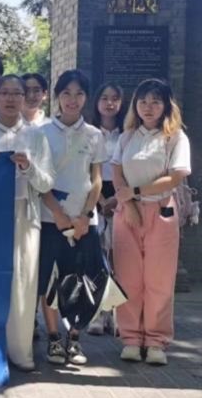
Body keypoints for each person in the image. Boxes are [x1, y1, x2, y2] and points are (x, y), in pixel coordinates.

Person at [0, 74, 54, 372]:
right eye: (4, 92)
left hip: (24, 215)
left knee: (23, 282)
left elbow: (46, 183)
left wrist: (28, 166)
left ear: (25, 98)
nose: (11, 98)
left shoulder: (36, 136)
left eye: (17, 93)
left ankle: (20, 350)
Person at [111, 78, 191, 366]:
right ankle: (131, 338)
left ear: (166, 105)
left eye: (156, 101)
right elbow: (117, 172)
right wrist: (129, 203)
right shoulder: (127, 137)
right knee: (128, 277)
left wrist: (135, 192)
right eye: (143, 101)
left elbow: (175, 177)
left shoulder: (175, 137)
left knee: (159, 280)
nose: (148, 107)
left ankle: (156, 340)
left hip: (161, 212)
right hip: (127, 214)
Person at [37, 69, 106, 367]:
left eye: (78, 94)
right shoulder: (41, 133)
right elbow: (38, 180)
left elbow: (97, 179)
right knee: (49, 281)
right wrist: (58, 213)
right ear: (57, 97)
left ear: (86, 98)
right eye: (66, 93)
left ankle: (74, 338)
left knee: (81, 279)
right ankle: (54, 338)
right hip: (50, 220)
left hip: (84, 222)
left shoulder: (94, 135)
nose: (72, 99)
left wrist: (85, 216)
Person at [86, 82, 125, 336]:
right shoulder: (89, 133)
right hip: (94, 198)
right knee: (96, 259)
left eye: (115, 98)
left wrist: (118, 200)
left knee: (119, 260)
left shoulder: (128, 134)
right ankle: (97, 313)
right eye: (104, 98)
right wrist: (101, 202)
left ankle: (117, 314)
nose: (109, 103)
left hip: (122, 198)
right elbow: (86, 170)